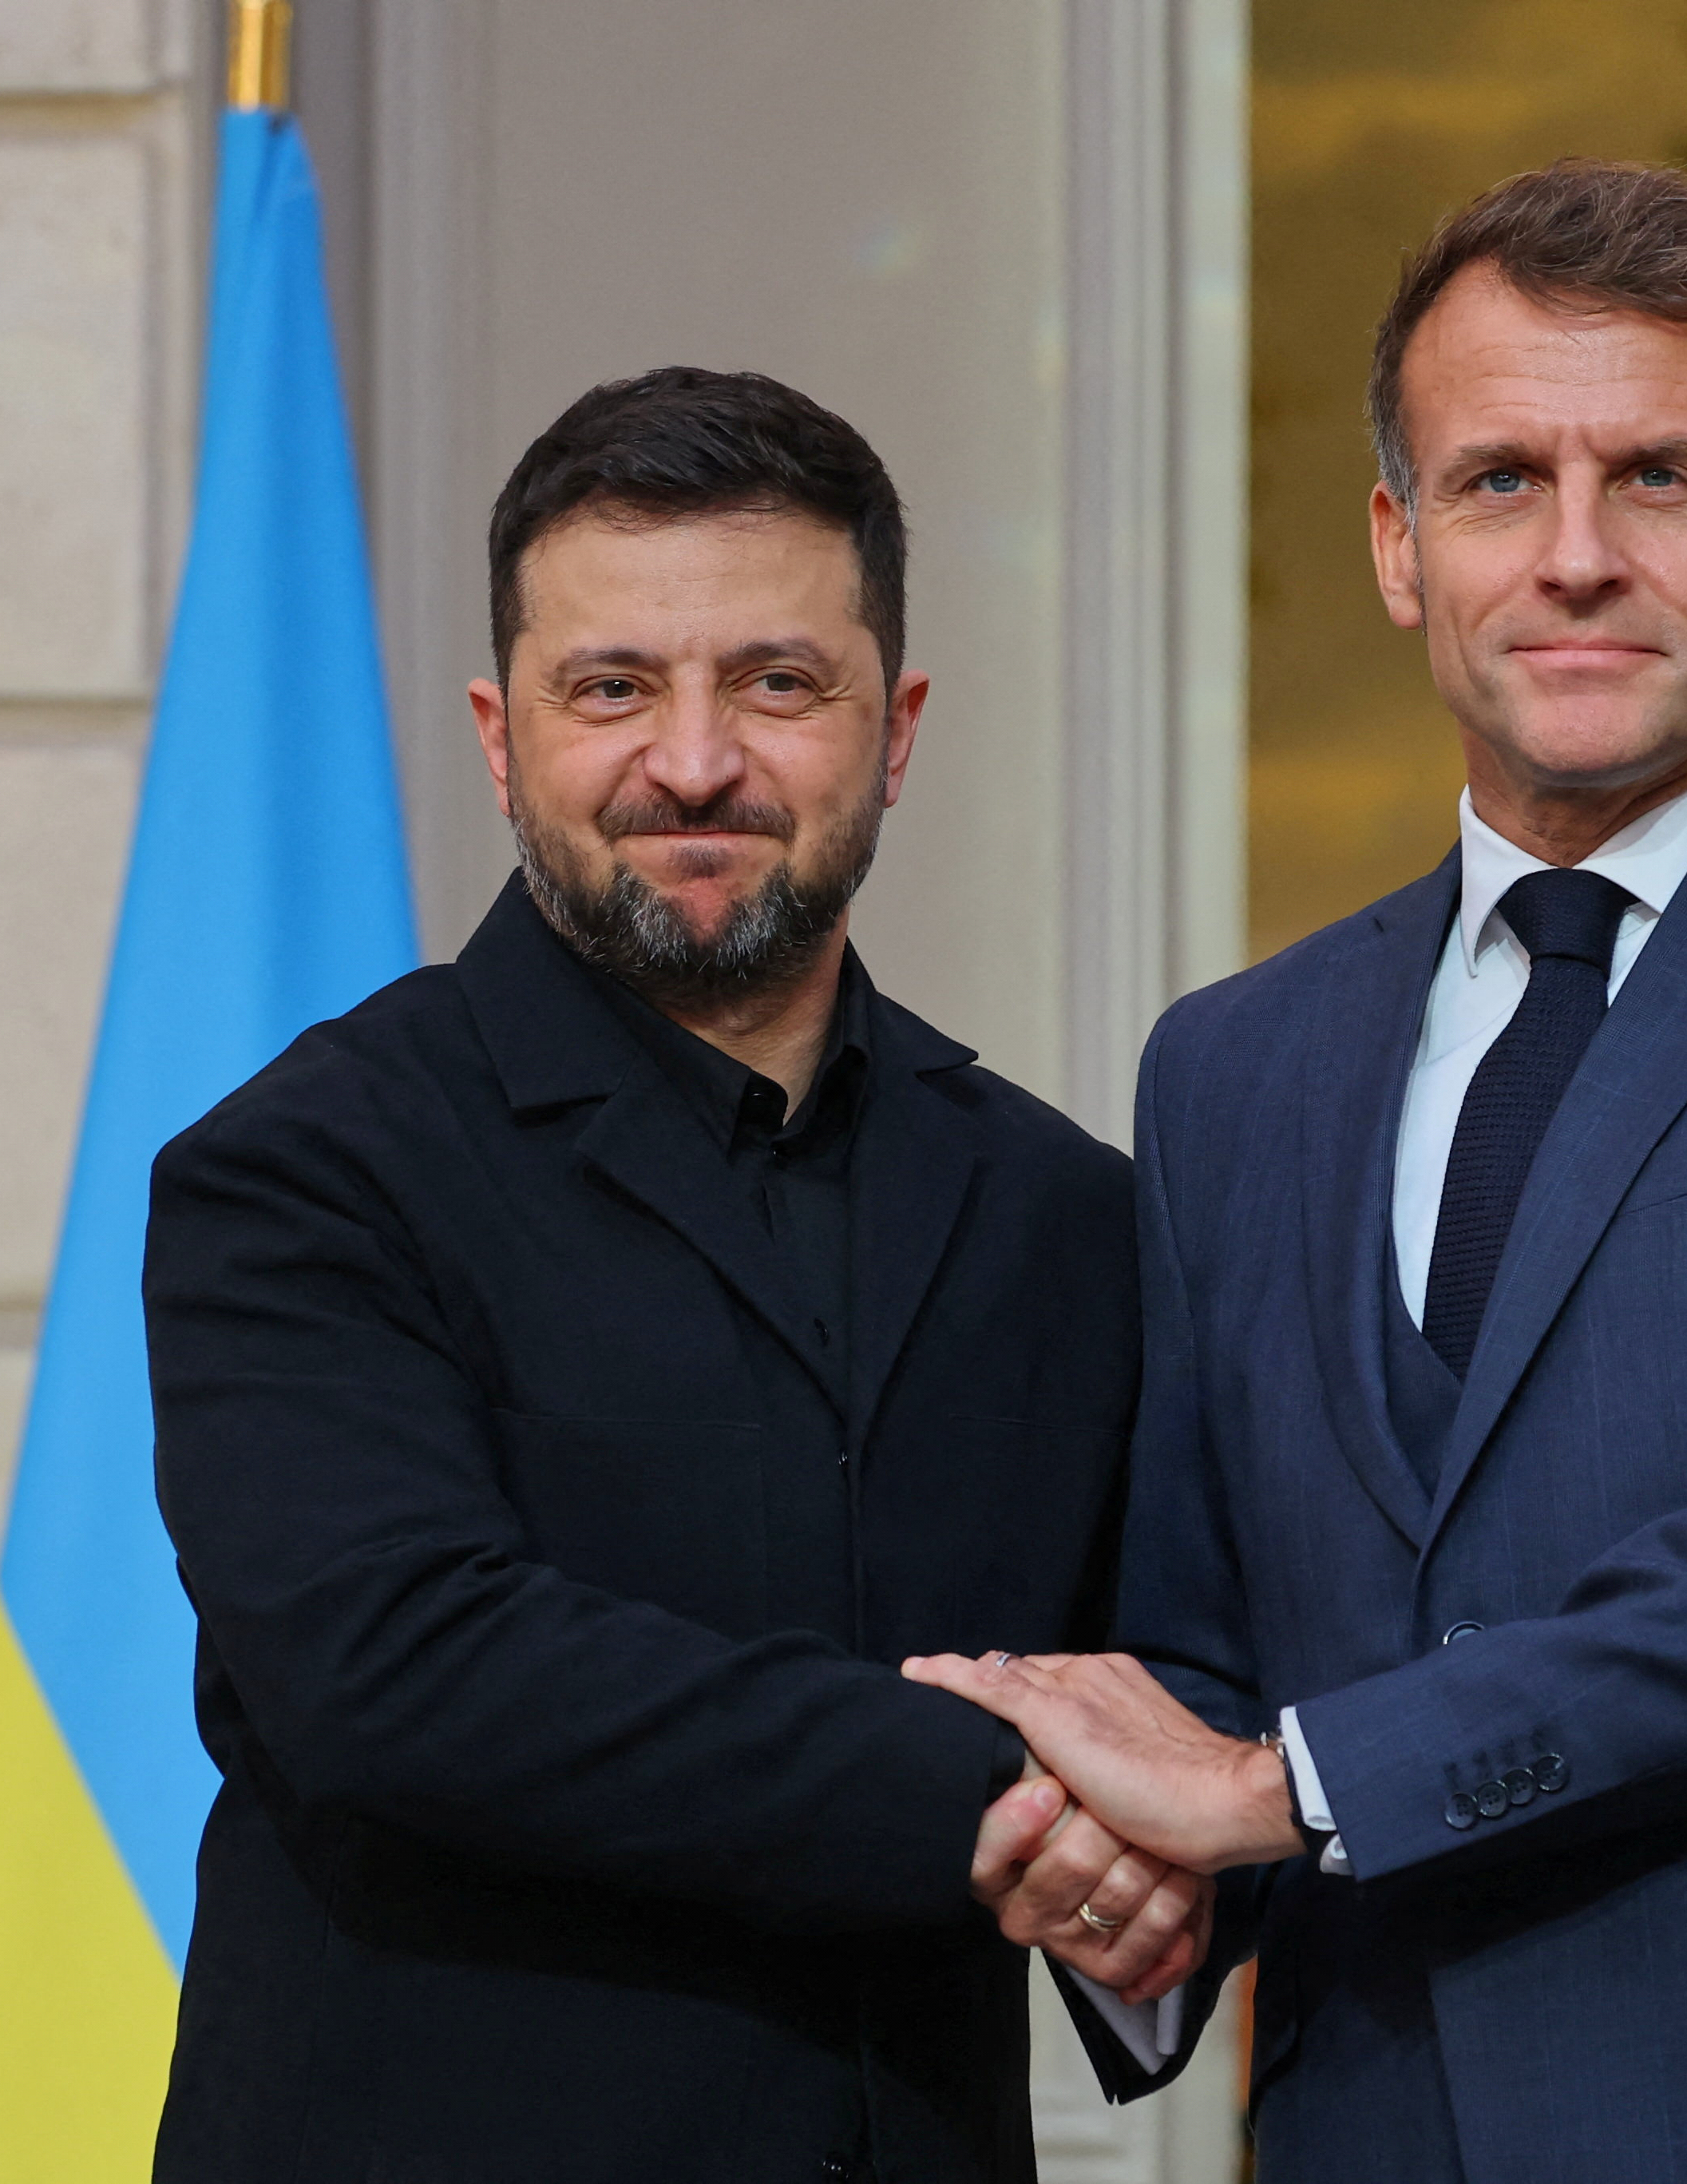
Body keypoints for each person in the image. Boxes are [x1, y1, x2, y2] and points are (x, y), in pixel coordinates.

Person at [913, 161, 1687, 2182]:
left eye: (1661, 479)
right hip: (1379, 2122)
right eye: (1503, 479)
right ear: (1399, 547)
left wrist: (1288, 1783)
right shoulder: (1231, 1070)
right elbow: (1214, 1645)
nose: (1576, 554)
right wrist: (1141, 1880)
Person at [146, 366, 1202, 2184]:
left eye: (777, 683)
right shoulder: (304, 1171)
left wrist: (1187, 1842)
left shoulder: (1065, 1211)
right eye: (612, 688)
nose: (694, 761)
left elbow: (1175, 1677)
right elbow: (408, 1668)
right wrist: (1011, 1801)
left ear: (898, 727)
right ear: (500, 735)